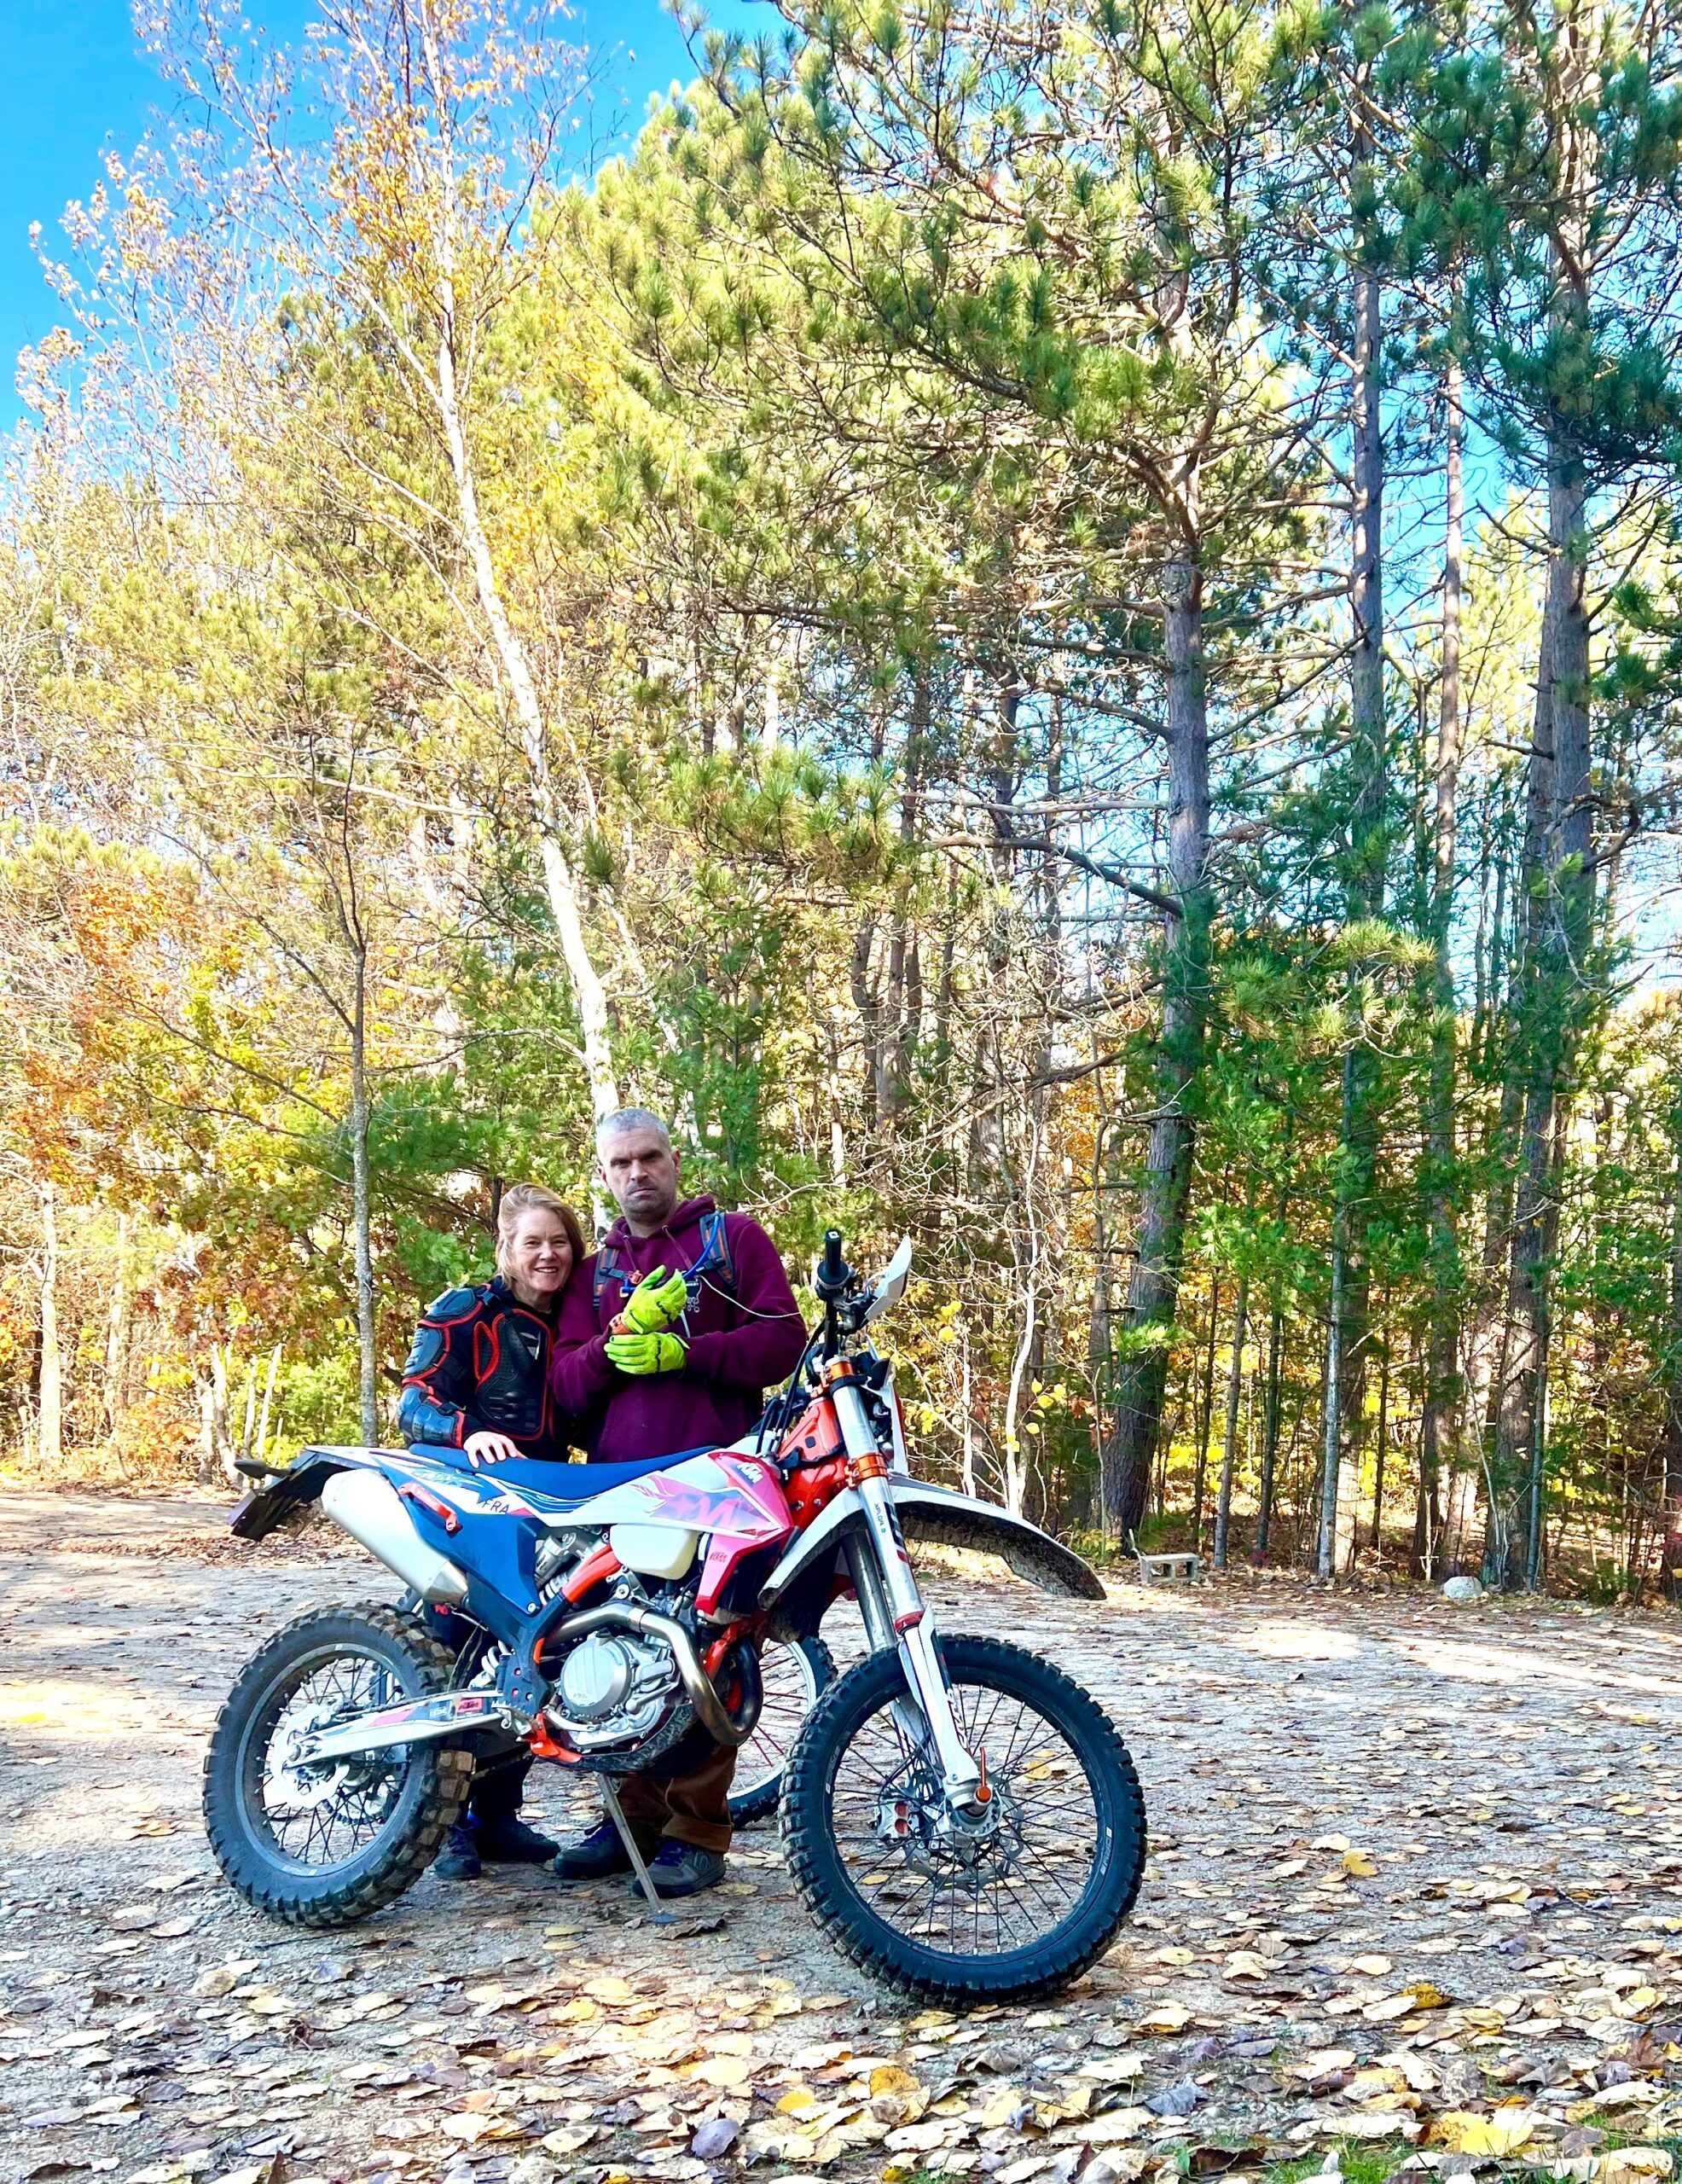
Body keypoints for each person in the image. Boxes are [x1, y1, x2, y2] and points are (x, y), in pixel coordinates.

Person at [547, 1107, 808, 1898]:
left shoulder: (733, 1241)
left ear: (674, 1160)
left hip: (717, 1484)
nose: (637, 1174)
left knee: (710, 1652)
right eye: (620, 1163)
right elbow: (565, 1386)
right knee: (622, 1655)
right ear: (603, 1175)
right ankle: (627, 1823)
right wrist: (618, 1340)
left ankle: (696, 1832)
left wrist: (684, 1352)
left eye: (649, 1157)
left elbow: (783, 1342)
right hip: (619, 1489)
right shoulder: (592, 1274)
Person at [397, 1181, 589, 1880]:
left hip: (544, 1507)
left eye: (559, 1242)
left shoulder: (578, 1320)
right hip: (465, 1496)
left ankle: (496, 1814)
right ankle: (436, 1821)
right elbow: (413, 1400)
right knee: (445, 1647)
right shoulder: (468, 1309)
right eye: (533, 1242)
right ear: (507, 1248)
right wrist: (465, 1432)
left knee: (537, 1650)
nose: (548, 1255)